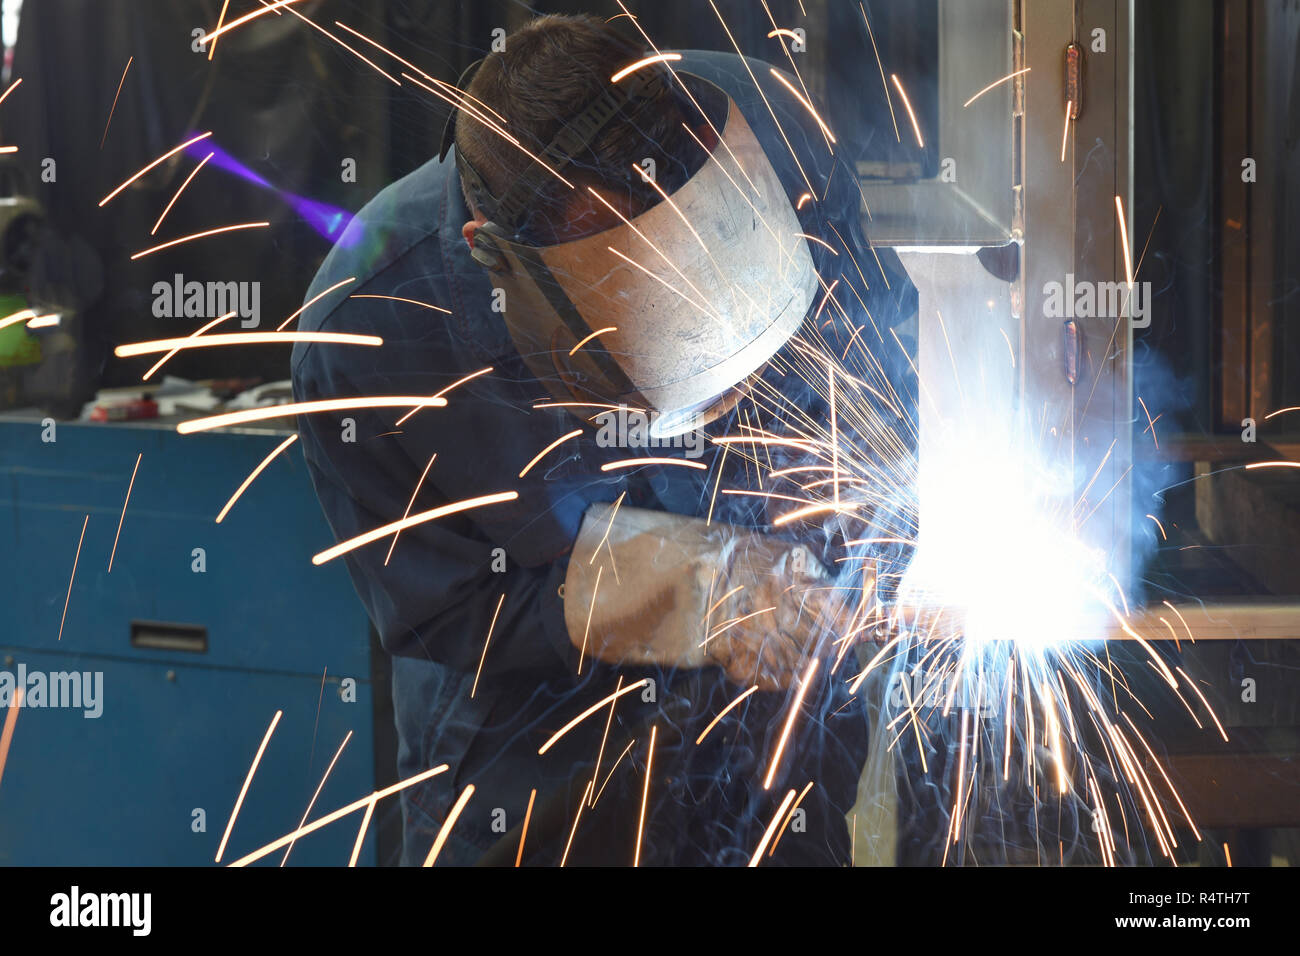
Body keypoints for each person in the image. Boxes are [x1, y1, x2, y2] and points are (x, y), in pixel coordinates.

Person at [291, 13, 913, 865]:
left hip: (773, 743)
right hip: (537, 777)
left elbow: (877, 358)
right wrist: (697, 589)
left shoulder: (774, 143)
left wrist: (872, 536)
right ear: (494, 257)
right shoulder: (374, 336)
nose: (721, 400)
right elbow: (455, 605)